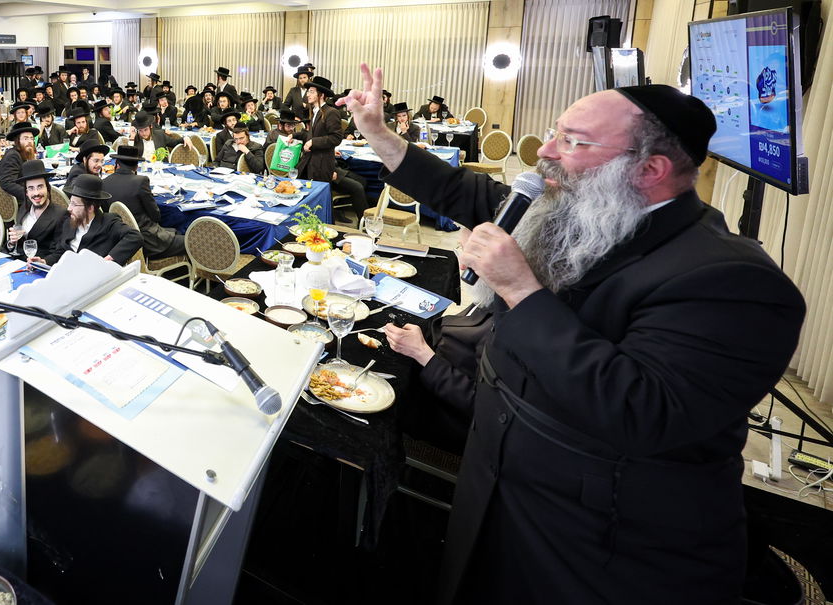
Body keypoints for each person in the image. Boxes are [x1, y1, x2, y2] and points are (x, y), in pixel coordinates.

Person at [340, 66, 805, 604]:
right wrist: (378, 132)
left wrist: (520, 290)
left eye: (574, 142)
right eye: (557, 132)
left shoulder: (731, 281)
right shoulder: (583, 210)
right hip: (497, 481)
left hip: (603, 542)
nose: (547, 153)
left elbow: (641, 410)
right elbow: (461, 190)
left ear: (650, 169)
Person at [383, 297, 493, 455]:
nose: (462, 270)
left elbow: (482, 405)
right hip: (432, 380)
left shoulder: (508, 329)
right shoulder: (497, 298)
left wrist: (422, 353)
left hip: (443, 416)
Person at [300, 77, 366, 221]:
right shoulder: (315, 111)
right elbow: (314, 133)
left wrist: (313, 142)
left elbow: (336, 137)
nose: (308, 95)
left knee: (322, 203)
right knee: (316, 202)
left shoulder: (331, 112)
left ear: (321, 95)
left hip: (323, 164)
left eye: (311, 91)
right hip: (312, 162)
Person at [103, 146, 186, 259]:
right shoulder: (140, 181)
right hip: (148, 242)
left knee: (175, 232)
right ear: (137, 166)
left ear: (117, 164)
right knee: (192, 240)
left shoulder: (104, 183)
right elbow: (156, 216)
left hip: (118, 241)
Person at [44, 174, 140, 265]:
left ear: (90, 208)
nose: (69, 208)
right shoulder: (69, 221)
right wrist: (44, 261)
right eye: (70, 203)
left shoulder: (108, 222)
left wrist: (108, 259)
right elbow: (60, 253)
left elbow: (135, 236)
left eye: (74, 204)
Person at [0, 123, 39, 198]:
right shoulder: (13, 156)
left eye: (31, 138)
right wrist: (30, 194)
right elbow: (7, 182)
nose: (29, 141)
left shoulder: (23, 154)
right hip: (16, 202)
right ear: (17, 141)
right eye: (25, 138)